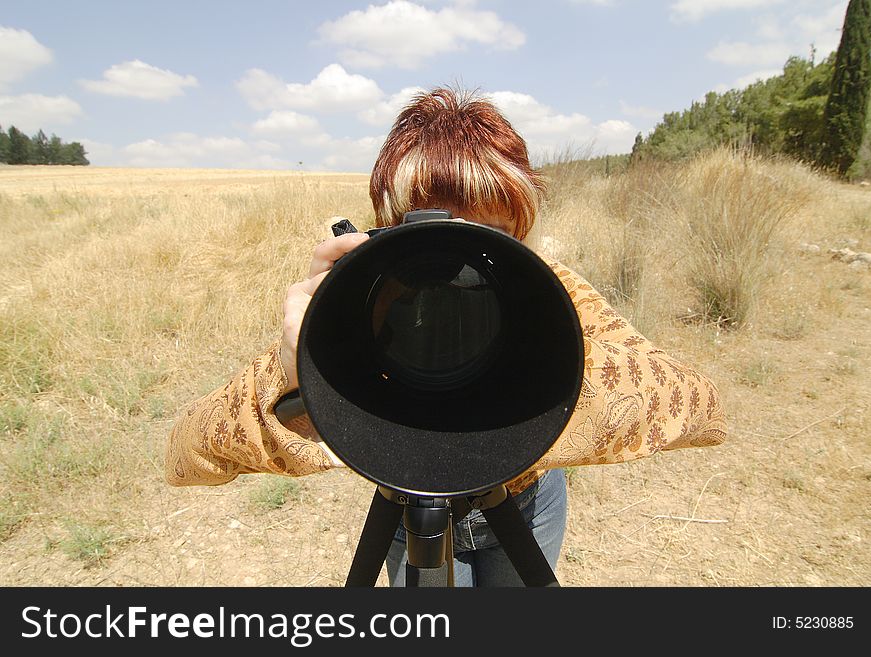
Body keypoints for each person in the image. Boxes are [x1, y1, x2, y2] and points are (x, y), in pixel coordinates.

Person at [165, 87, 728, 586]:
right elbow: (186, 451)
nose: (461, 265)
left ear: (523, 235)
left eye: (494, 236)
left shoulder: (550, 293)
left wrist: (539, 377)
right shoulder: (359, 303)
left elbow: (697, 402)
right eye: (435, 237)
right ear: (381, 234)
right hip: (405, 503)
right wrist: (310, 367)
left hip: (528, 501)